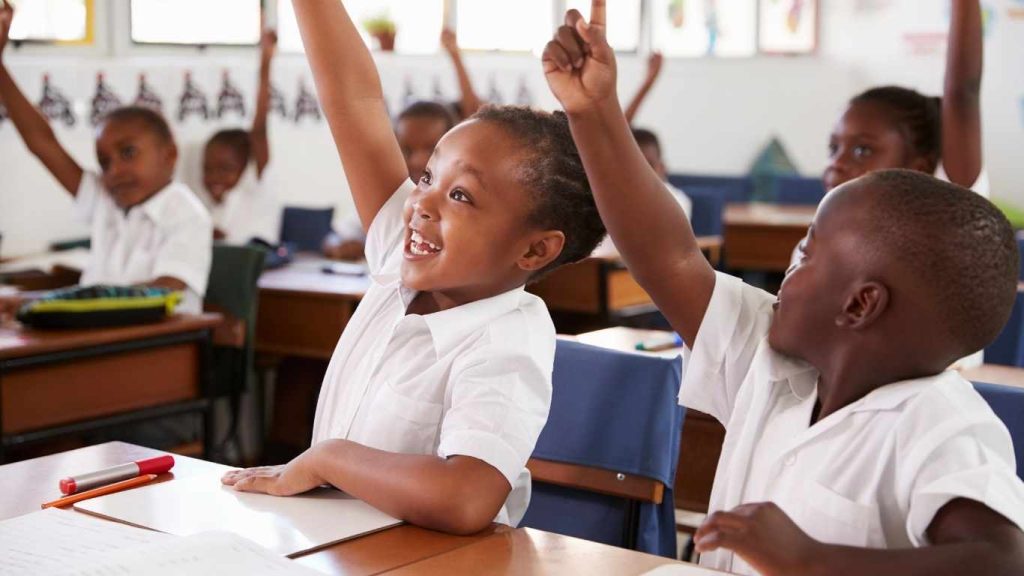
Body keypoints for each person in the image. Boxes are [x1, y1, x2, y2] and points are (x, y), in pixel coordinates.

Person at [541, 3, 1024, 575]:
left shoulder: (937, 421)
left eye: (809, 253)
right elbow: (666, 257)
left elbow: (1002, 560)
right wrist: (595, 112)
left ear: (860, 303)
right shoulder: (768, 366)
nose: (789, 267)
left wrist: (811, 561)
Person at [222, 0, 605, 535]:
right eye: (427, 177)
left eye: (461, 195)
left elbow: (468, 497)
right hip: (339, 548)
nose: (422, 204)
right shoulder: (397, 262)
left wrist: (327, 458)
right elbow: (353, 101)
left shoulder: (508, 339)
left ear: (534, 251)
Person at [0, 1, 210, 315]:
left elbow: (161, 293)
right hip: (99, 337)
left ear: (170, 155)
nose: (113, 171)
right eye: (104, 162)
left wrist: (53, 302)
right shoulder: (106, 200)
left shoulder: (184, 213)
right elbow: (41, 142)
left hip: (160, 347)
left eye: (128, 153)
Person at [825, 0, 985, 195]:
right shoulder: (836, 220)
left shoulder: (949, 198)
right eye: (834, 148)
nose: (837, 163)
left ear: (919, 170)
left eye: (862, 151)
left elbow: (962, 93)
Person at [322, 100, 457, 261]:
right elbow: (333, 237)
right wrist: (342, 246)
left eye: (431, 149)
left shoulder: (461, 204)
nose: (417, 161)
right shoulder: (387, 197)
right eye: (407, 150)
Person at [202, 30, 281, 245]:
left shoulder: (255, 186)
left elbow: (259, 129)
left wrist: (266, 62)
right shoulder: (216, 209)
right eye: (208, 169)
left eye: (226, 169)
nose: (214, 177)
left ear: (248, 166)